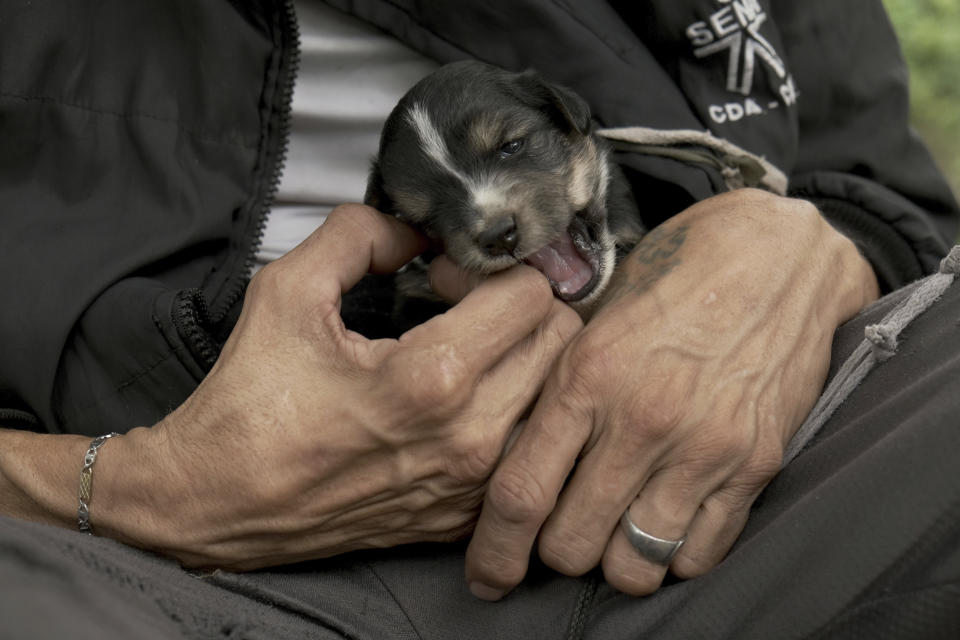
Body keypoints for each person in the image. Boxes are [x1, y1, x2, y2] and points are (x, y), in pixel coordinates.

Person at [2, 1, 958, 638]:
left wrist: (813, 243)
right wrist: (129, 489)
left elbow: (885, 192)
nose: (492, 221)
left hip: (750, 470)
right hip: (144, 567)